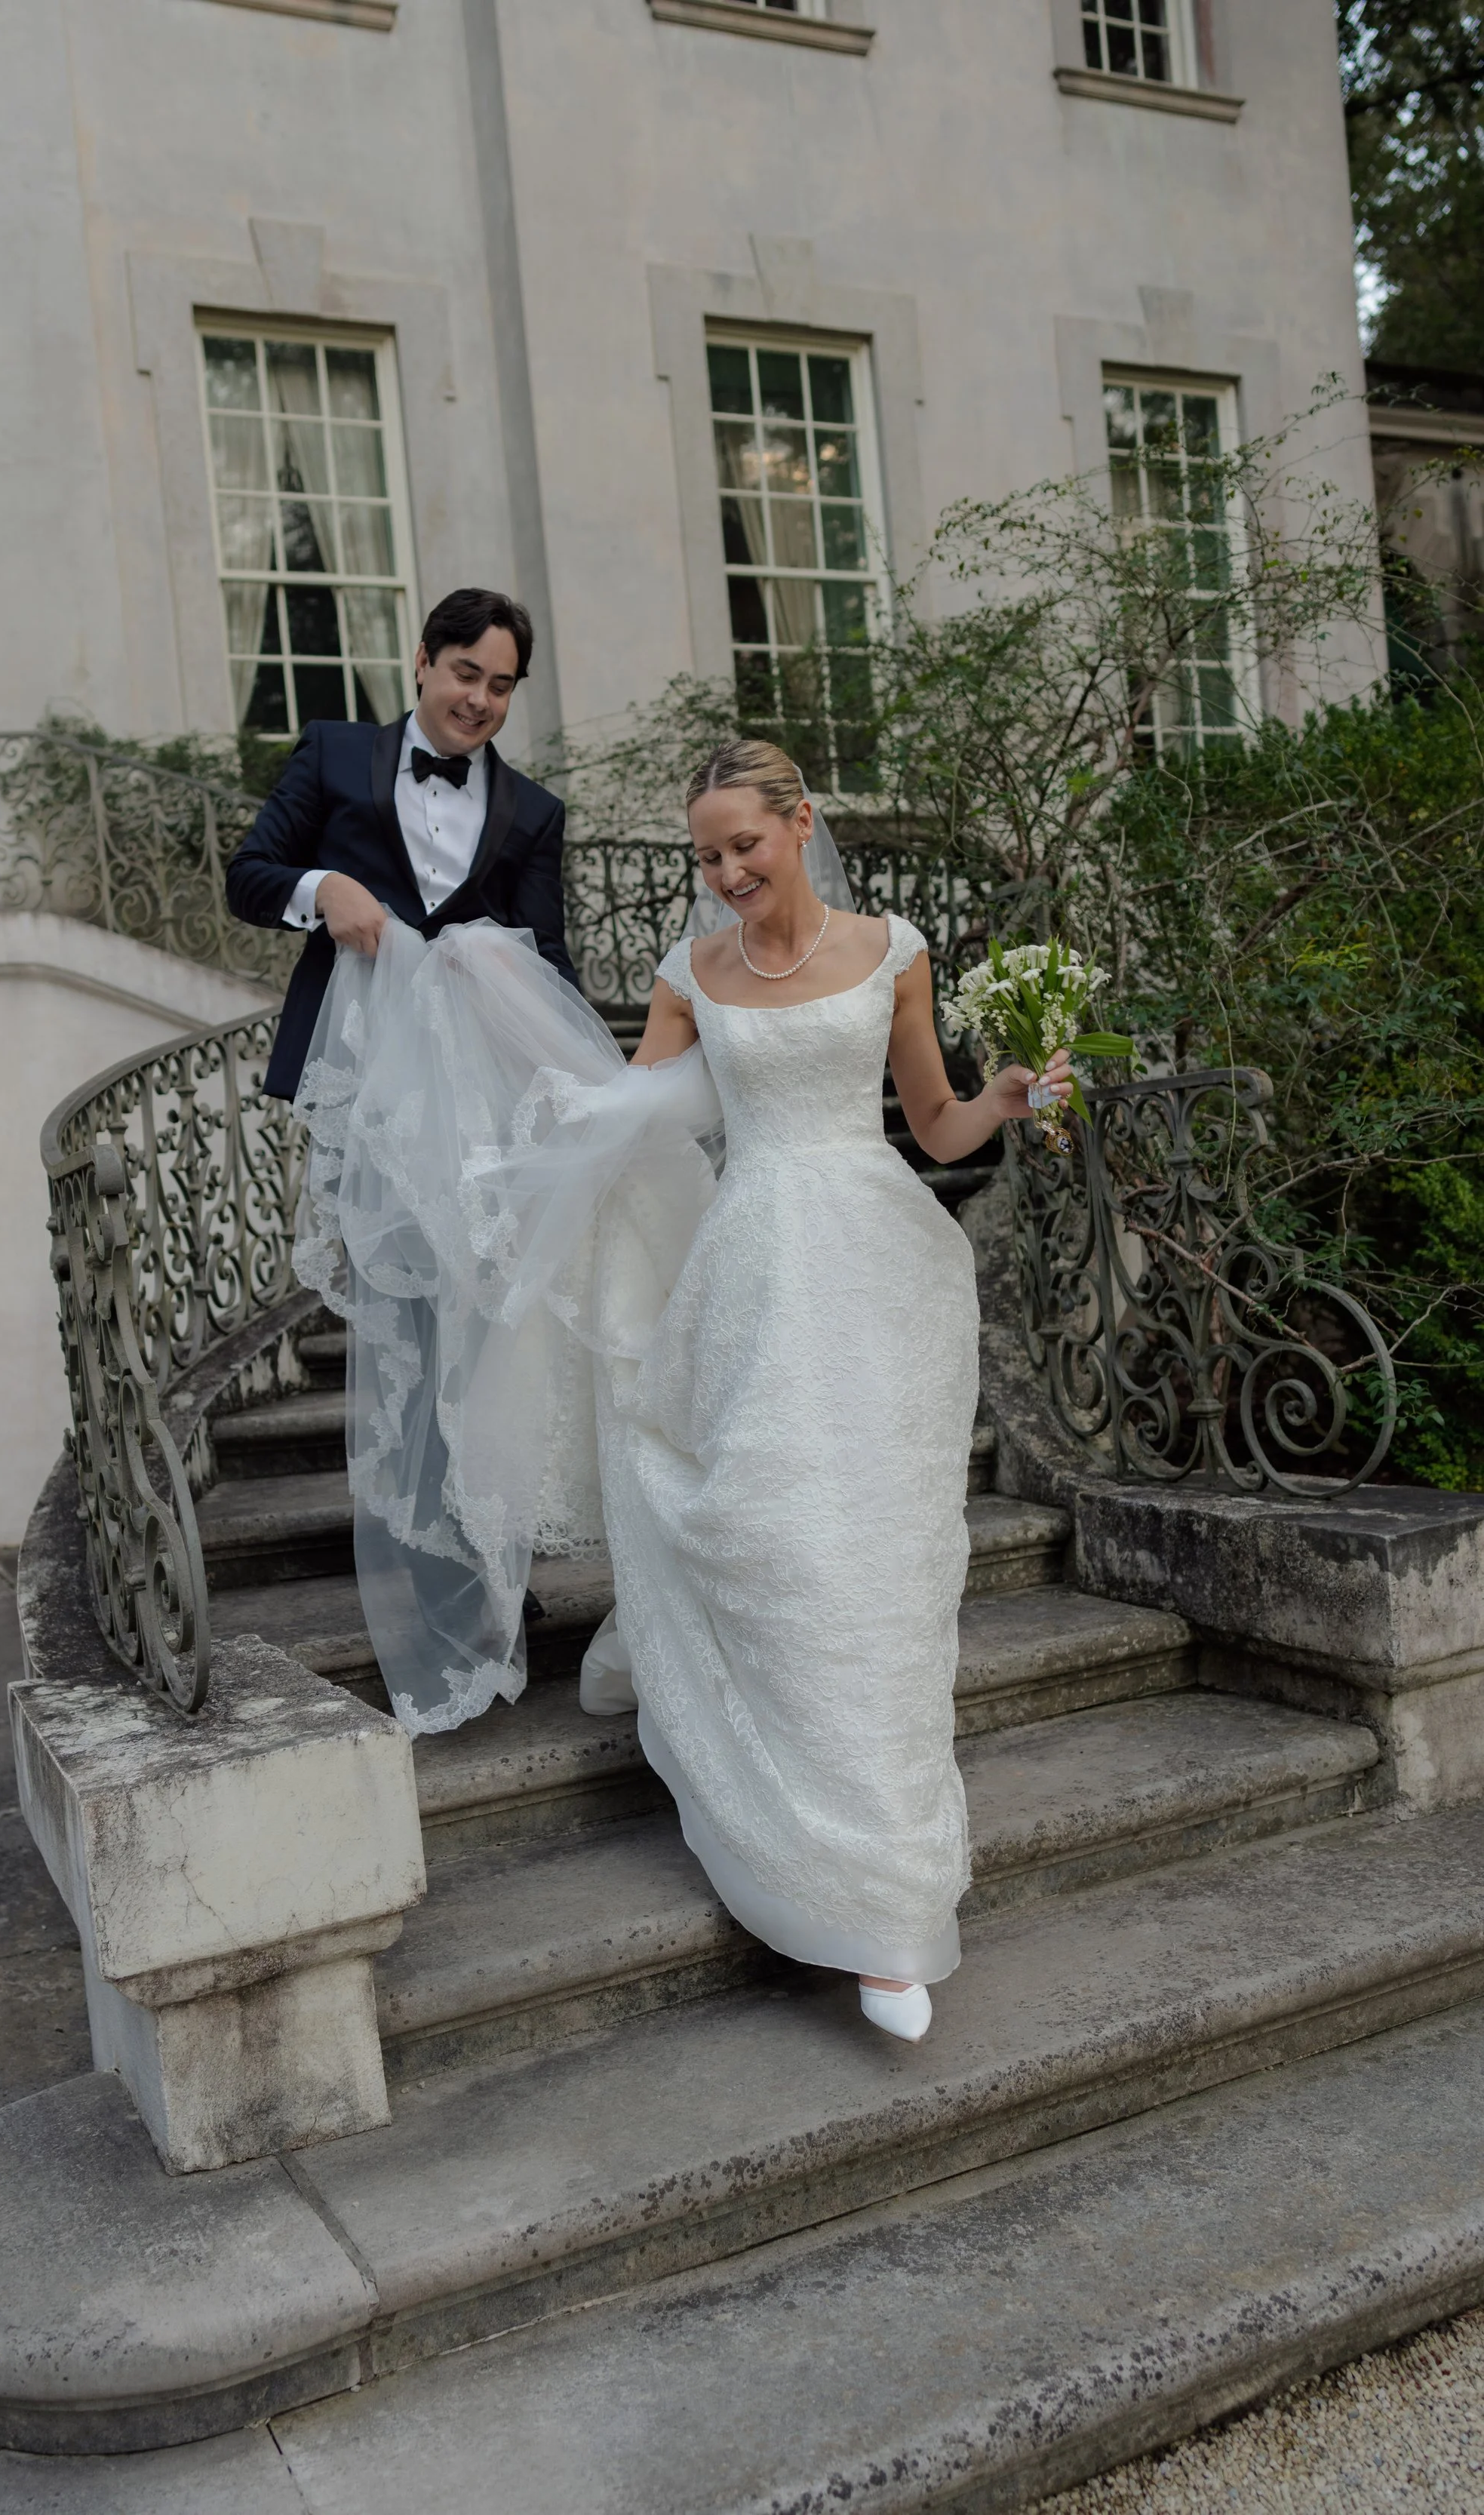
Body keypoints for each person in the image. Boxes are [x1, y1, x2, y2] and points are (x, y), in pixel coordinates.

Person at [293, 736, 1072, 2045]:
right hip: (751, 1268)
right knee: (768, 1530)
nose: (723, 875)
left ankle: (883, 1899)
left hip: (881, 1274)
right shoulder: (688, 972)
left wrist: (1001, 1096)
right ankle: (721, 1724)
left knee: (876, 1567)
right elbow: (627, 1116)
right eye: (704, 856)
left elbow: (932, 1127)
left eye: (742, 847)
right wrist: (485, 1027)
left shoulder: (895, 949)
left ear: (800, 825)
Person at [225, 586, 576, 1100]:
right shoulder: (332, 752)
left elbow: (548, 958)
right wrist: (326, 889)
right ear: (422, 661)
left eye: (500, 687)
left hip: (476, 1081)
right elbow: (246, 878)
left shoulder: (537, 811)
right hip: (350, 1065)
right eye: (465, 674)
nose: (480, 700)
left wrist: (583, 1074)